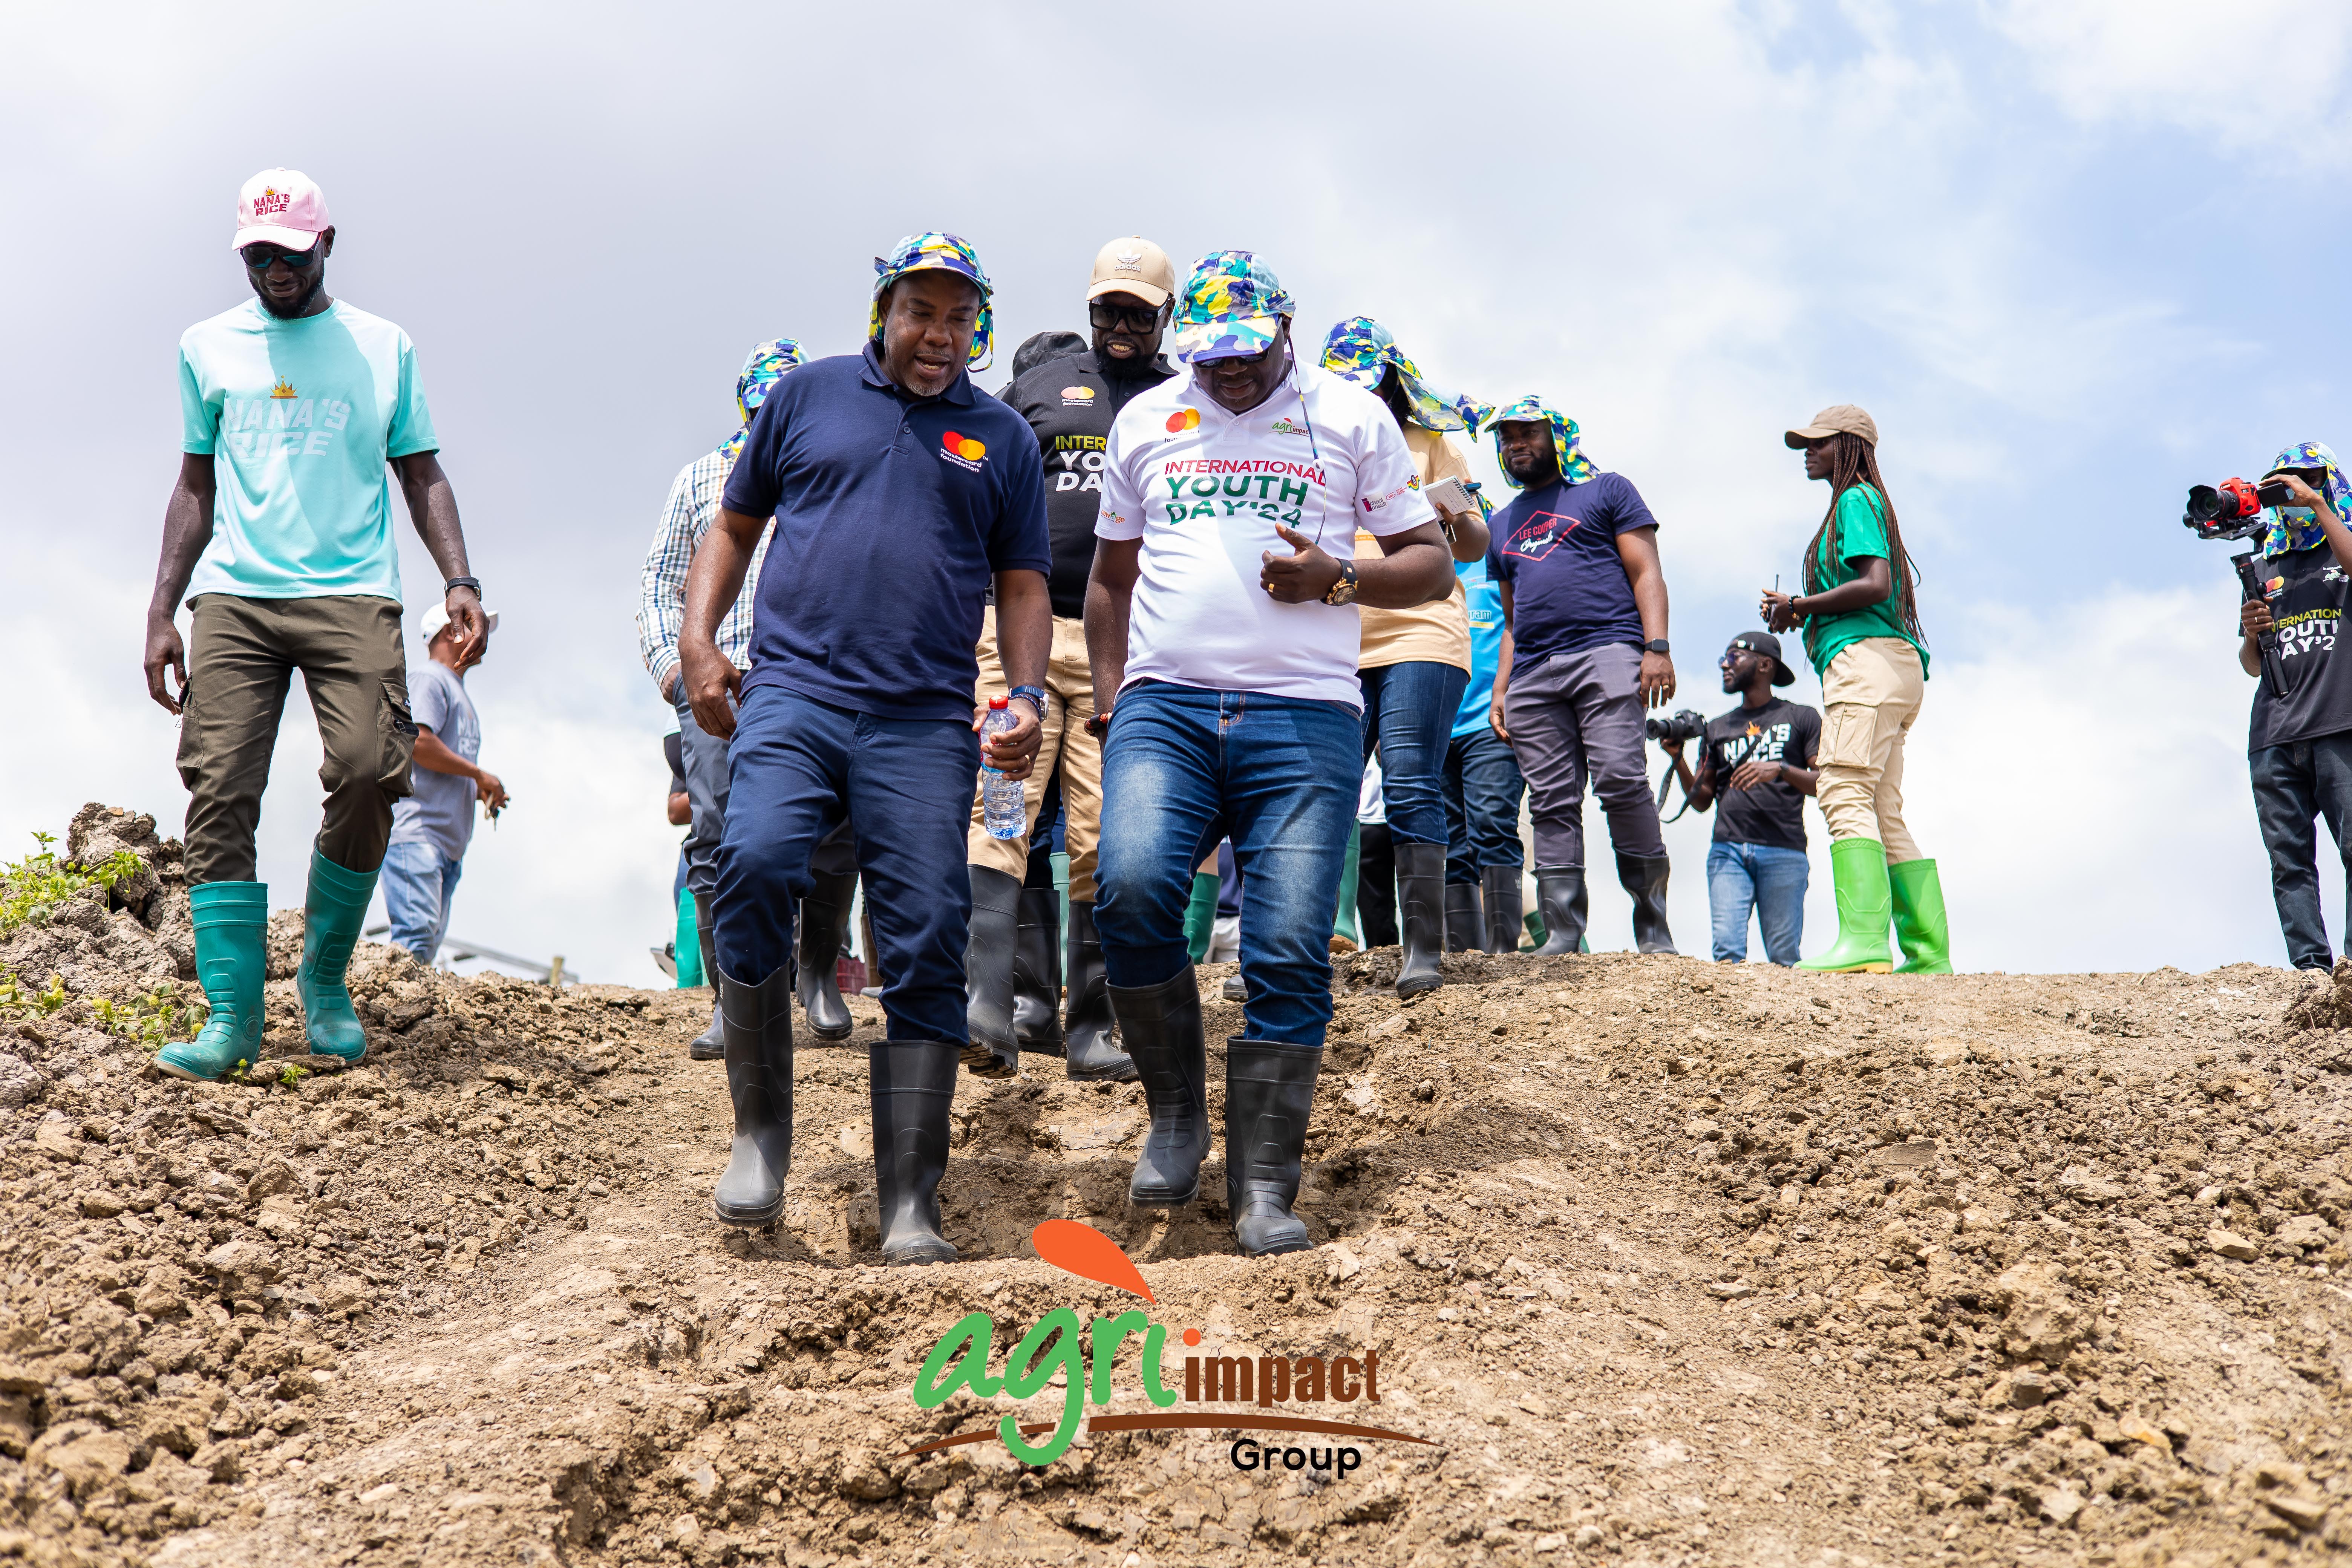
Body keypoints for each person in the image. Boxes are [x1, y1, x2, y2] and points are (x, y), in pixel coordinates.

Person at [681, 233, 1050, 1263]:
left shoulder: (1002, 440)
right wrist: (699, 641)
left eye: (958, 316)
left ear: (980, 324)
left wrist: (1023, 693)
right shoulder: (807, 398)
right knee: (751, 861)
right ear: (884, 310)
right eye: (919, 312)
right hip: (795, 692)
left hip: (925, 717)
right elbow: (735, 525)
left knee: (928, 928)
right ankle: (759, 1141)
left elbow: (1023, 583)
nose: (938, 335)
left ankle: (909, 1206)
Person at [1088, 250, 1453, 1256]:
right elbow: (1110, 578)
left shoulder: (1352, 417)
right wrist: (1116, 698)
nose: (1230, 374)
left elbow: (1432, 564)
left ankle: (1264, 1188)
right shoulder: (1147, 420)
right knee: (1128, 890)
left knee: (1289, 944)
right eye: (1210, 358)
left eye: (1247, 354)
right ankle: (1175, 1117)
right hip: (1166, 707)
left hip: (1307, 717)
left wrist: (1340, 579)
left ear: (1287, 329)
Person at [145, 168, 487, 1082]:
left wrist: (458, 576)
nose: (275, 267)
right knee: (219, 787)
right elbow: (194, 484)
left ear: (326, 243)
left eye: (291, 252)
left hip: (352, 593)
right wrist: (161, 609)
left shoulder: (383, 347)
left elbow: (422, 472)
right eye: (258, 253)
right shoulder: (207, 347)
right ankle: (232, 1017)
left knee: (376, 770)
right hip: (236, 598)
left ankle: (325, 980)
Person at [968, 237, 1182, 1083]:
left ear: (1166, 317)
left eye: (1137, 311)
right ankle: (993, 1006)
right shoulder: (1041, 388)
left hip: (1122, 645)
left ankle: (1097, 1024)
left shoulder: (1185, 401)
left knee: (1104, 833)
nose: (1120, 324)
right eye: (1107, 309)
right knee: (1000, 809)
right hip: (1014, 629)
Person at [639, 340, 862, 1057]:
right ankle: (732, 1000)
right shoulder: (704, 478)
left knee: (832, 831)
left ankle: (818, 975)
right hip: (718, 686)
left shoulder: (831, 469)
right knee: (716, 833)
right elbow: (658, 584)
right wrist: (676, 674)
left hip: (814, 681)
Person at [1320, 318, 1492, 995]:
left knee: (1412, 775)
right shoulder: (1315, 439)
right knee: (1322, 785)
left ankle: (1423, 949)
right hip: (1336, 629)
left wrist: (1451, 513)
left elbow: (1475, 546)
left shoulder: (1430, 442)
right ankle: (1294, 944)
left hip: (1422, 623)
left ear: (1394, 381)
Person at [1485, 398, 1678, 956]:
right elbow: (1513, 618)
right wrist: (1502, 688)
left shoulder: (1607, 490)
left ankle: (1652, 923)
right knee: (1549, 801)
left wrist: (1657, 647)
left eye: (1527, 433)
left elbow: (1647, 572)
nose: (1515, 444)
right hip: (1532, 676)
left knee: (1620, 778)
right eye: (1506, 438)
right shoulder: (1501, 524)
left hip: (1608, 653)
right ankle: (1565, 931)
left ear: (1557, 435)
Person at [1762, 405, 1945, 974]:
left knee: (1841, 789)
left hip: (1865, 663)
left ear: (1850, 446)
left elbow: (1874, 583)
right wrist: (1803, 612)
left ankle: (1864, 943)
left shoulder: (1854, 499)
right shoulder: (1863, 502)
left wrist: (1800, 606)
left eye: (1818, 443)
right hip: (1890, 667)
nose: (1807, 453)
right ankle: (1928, 954)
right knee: (1882, 810)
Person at [2235, 442, 2352, 969]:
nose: (2294, 491)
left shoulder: (2341, 552)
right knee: (2290, 863)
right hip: (2275, 734)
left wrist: (2321, 507)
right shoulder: (2267, 565)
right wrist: (2250, 635)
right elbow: (2253, 665)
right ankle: (2309, 969)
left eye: (2306, 478)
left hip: (2340, 723)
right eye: (2284, 483)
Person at [1660, 633, 1819, 965]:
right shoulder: (1717, 728)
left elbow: (1825, 783)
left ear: (1765, 665)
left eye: (1733, 657)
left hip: (1784, 851)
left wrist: (1781, 769)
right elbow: (1702, 800)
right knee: (1727, 958)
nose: (1723, 664)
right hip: (1728, 850)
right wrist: (1678, 759)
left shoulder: (1802, 718)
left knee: (1784, 958)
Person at [382, 600, 508, 966]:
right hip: (420, 833)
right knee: (415, 941)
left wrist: (476, 785)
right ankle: (393, 1020)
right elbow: (419, 740)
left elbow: (442, 755)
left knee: (425, 944)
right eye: (473, 627)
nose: (482, 637)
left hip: (442, 843)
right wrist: (478, 774)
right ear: (451, 632)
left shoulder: (454, 689)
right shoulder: (431, 678)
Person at [1442, 533, 1527, 952]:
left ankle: (1503, 951)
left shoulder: (1495, 563)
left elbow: (1518, 627)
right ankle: (1463, 956)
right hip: (1435, 725)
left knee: (1492, 825)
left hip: (1489, 724)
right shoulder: (1424, 566)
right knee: (1447, 845)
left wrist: (1508, 692)